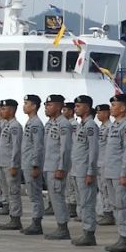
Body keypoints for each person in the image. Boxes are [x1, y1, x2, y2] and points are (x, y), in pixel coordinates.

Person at [103, 94, 126, 252]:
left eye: (114, 105)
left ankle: (125, 238)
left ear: (123, 108)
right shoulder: (112, 126)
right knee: (116, 206)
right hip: (110, 171)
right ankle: (121, 236)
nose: (111, 107)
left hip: (119, 173)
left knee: (123, 206)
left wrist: (124, 173)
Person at [43, 95, 72, 240]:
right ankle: (60, 225)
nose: (46, 108)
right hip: (49, 166)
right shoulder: (51, 123)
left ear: (59, 107)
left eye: (50, 105)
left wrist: (61, 168)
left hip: (56, 167)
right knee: (53, 198)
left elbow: (65, 148)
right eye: (46, 105)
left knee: (57, 197)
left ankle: (63, 228)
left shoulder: (63, 124)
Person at [71, 95, 99, 246]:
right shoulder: (81, 125)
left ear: (87, 108)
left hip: (85, 171)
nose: (76, 108)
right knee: (82, 203)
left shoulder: (90, 126)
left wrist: (90, 172)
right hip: (77, 170)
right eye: (75, 106)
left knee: (87, 203)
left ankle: (89, 233)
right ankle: (85, 231)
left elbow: (93, 150)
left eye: (79, 106)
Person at [20, 95, 45, 235]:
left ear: (34, 106)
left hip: (32, 164)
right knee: (32, 194)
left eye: (26, 103)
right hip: (27, 162)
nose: (24, 106)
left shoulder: (35, 124)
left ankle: (37, 223)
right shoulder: (30, 122)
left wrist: (35, 165)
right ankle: (35, 222)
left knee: (35, 194)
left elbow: (38, 146)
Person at [0, 99, 23, 230]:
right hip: (2, 163)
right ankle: (12, 216)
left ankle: (15, 218)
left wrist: (14, 165)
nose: (1, 111)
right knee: (6, 191)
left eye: (4, 109)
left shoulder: (15, 126)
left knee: (13, 192)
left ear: (12, 110)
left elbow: (16, 147)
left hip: (10, 164)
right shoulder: (5, 125)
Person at [95, 104, 114, 226]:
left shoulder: (110, 127)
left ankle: (109, 214)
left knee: (107, 189)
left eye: (100, 112)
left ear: (107, 113)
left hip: (106, 163)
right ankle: (105, 211)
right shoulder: (101, 127)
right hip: (99, 162)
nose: (98, 115)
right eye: (97, 113)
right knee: (102, 189)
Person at [62, 102, 78, 218]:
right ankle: (69, 204)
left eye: (65, 110)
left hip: (73, 157)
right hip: (67, 157)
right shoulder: (66, 124)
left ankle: (72, 206)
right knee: (67, 184)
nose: (63, 112)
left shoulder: (74, 125)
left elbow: (73, 142)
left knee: (72, 184)